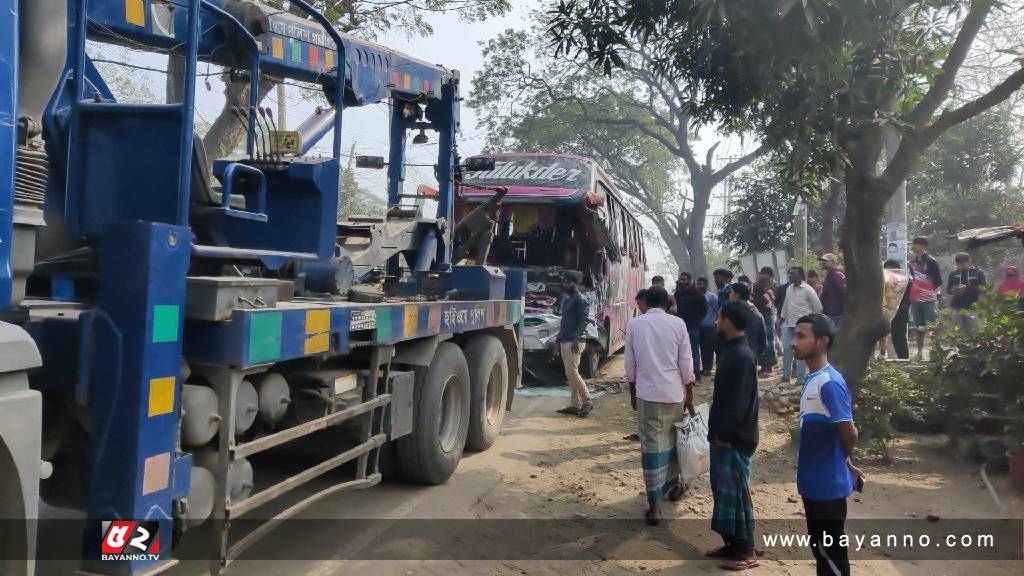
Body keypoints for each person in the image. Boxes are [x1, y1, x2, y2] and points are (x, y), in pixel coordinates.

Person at [792, 313, 865, 576]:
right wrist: (846, 462)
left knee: (831, 555)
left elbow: (849, 432)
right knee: (823, 551)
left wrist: (842, 461)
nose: (793, 342)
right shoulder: (812, 378)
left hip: (826, 487)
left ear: (821, 341)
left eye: (801, 336)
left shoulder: (829, 383)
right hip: (814, 483)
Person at [624, 286, 696, 525]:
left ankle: (655, 505)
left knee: (652, 447)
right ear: (667, 302)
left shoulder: (635, 324)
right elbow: (686, 363)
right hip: (674, 393)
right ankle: (673, 486)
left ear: (646, 301)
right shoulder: (678, 324)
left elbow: (630, 365)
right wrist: (690, 397)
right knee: (673, 441)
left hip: (647, 394)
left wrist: (633, 394)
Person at [706, 301, 760, 571]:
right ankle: (732, 544)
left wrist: (725, 435)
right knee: (723, 491)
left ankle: (746, 549)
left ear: (728, 320)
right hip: (724, 434)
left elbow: (738, 403)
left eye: (719, 317)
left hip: (733, 438)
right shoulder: (731, 349)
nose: (716, 321)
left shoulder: (741, 355)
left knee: (736, 495)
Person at [556, 272, 592, 417]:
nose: (564, 285)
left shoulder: (581, 299)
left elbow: (583, 320)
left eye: (567, 282)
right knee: (570, 374)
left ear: (574, 283)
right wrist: (558, 339)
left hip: (575, 341)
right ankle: (574, 405)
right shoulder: (568, 300)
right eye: (564, 282)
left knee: (572, 373)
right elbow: (564, 322)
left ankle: (587, 401)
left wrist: (576, 337)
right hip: (565, 340)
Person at [779, 267, 822, 384]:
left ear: (801, 276)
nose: (790, 275)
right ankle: (785, 377)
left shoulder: (808, 290)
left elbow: (818, 308)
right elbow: (785, 305)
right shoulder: (789, 289)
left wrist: (811, 322)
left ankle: (801, 378)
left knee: (800, 351)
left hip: (803, 327)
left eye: (793, 274)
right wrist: (781, 320)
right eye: (789, 273)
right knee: (787, 350)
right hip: (790, 325)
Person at [908, 236, 943, 361]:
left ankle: (936, 352)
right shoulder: (911, 263)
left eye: (915, 244)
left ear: (922, 246)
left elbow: (938, 280)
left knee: (933, 326)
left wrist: (927, 289)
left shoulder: (931, 261)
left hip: (929, 300)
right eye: (913, 244)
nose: (913, 246)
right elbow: (911, 279)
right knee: (919, 328)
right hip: (915, 300)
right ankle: (919, 354)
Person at [674, 272, 708, 381]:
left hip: (693, 326)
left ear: (689, 280)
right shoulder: (678, 293)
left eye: (683, 279)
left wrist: (697, 319)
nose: (681, 281)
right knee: (679, 352)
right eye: (680, 279)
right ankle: (683, 377)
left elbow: (704, 309)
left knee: (694, 352)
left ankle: (697, 377)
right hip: (679, 327)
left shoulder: (697, 293)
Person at [728, 282, 767, 361]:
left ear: (737, 295)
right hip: (752, 355)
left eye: (731, 292)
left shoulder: (732, 312)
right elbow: (762, 338)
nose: (729, 294)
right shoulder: (757, 313)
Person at [947, 252, 986, 331]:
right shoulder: (953, 274)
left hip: (973, 307)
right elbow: (948, 290)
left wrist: (968, 288)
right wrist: (954, 290)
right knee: (956, 330)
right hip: (957, 307)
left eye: (963, 265)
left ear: (969, 262)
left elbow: (984, 289)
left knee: (974, 329)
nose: (960, 267)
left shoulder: (978, 273)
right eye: (958, 265)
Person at [752, 267, 777, 376]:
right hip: (758, 316)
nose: (761, 276)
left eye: (764, 274)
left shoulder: (771, 288)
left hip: (766, 316)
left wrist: (755, 296)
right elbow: (752, 299)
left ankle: (769, 367)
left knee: (769, 342)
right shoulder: (757, 287)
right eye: (761, 274)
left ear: (770, 276)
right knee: (761, 341)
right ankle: (763, 366)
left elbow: (764, 301)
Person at [883, 259, 911, 360]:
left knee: (899, 337)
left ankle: (903, 359)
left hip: (901, 311)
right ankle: (886, 355)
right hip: (888, 311)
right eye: (887, 270)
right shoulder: (884, 280)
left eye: (890, 270)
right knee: (889, 336)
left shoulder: (904, 280)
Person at [697, 277, 719, 377]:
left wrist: (715, 322)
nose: (699, 286)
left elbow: (716, 310)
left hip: (709, 325)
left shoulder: (712, 297)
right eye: (698, 284)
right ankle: (704, 367)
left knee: (709, 347)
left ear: (706, 285)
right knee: (702, 347)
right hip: (698, 325)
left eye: (701, 284)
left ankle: (708, 368)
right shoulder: (696, 296)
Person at [818, 254, 847, 327]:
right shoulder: (829, 277)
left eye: (825, 261)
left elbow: (844, 293)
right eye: (822, 261)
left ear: (833, 262)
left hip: (836, 317)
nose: (823, 262)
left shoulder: (837, 276)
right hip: (829, 315)